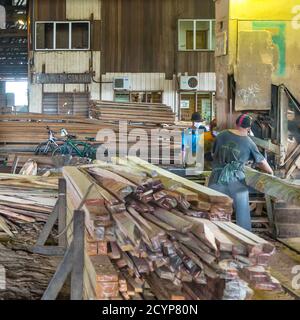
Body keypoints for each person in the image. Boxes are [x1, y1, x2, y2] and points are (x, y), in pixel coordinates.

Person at [208, 114, 274, 231]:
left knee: (216, 210)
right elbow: (261, 162)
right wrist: (270, 172)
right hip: (236, 182)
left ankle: (214, 234)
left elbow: (213, 154)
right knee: (242, 210)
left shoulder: (221, 135)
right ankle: (245, 235)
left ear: (236, 124)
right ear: (249, 129)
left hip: (216, 180)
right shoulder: (249, 142)